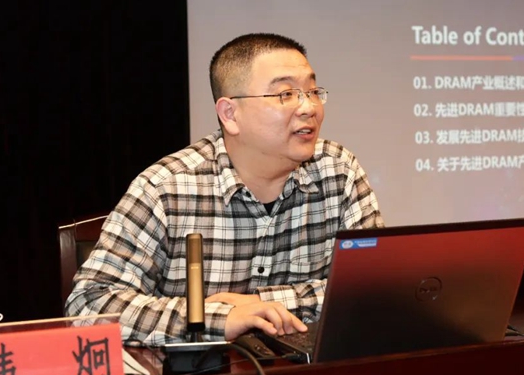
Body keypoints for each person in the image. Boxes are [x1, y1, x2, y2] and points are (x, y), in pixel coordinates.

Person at [64, 33, 384, 346]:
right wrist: (216, 319)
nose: (308, 107)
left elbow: (376, 289)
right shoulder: (167, 188)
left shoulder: (338, 171)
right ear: (230, 114)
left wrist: (260, 304)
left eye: (313, 92)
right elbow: (88, 305)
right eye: (286, 94)